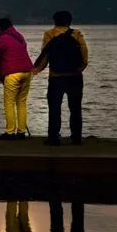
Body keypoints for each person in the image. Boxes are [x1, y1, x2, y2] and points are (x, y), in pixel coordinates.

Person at [34, 11, 89, 146]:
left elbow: (45, 55)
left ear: (55, 21)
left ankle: (53, 138)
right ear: (70, 22)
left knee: (54, 108)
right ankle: (76, 137)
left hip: (56, 77)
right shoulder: (77, 34)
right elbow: (84, 54)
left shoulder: (49, 34)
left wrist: (35, 70)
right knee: (75, 108)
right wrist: (79, 69)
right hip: (75, 77)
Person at [0, 18, 34, 140]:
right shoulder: (19, 36)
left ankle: (10, 132)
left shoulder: (4, 38)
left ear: (0, 28)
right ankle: (21, 132)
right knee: (21, 102)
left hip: (13, 73)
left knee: (9, 103)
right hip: (27, 72)